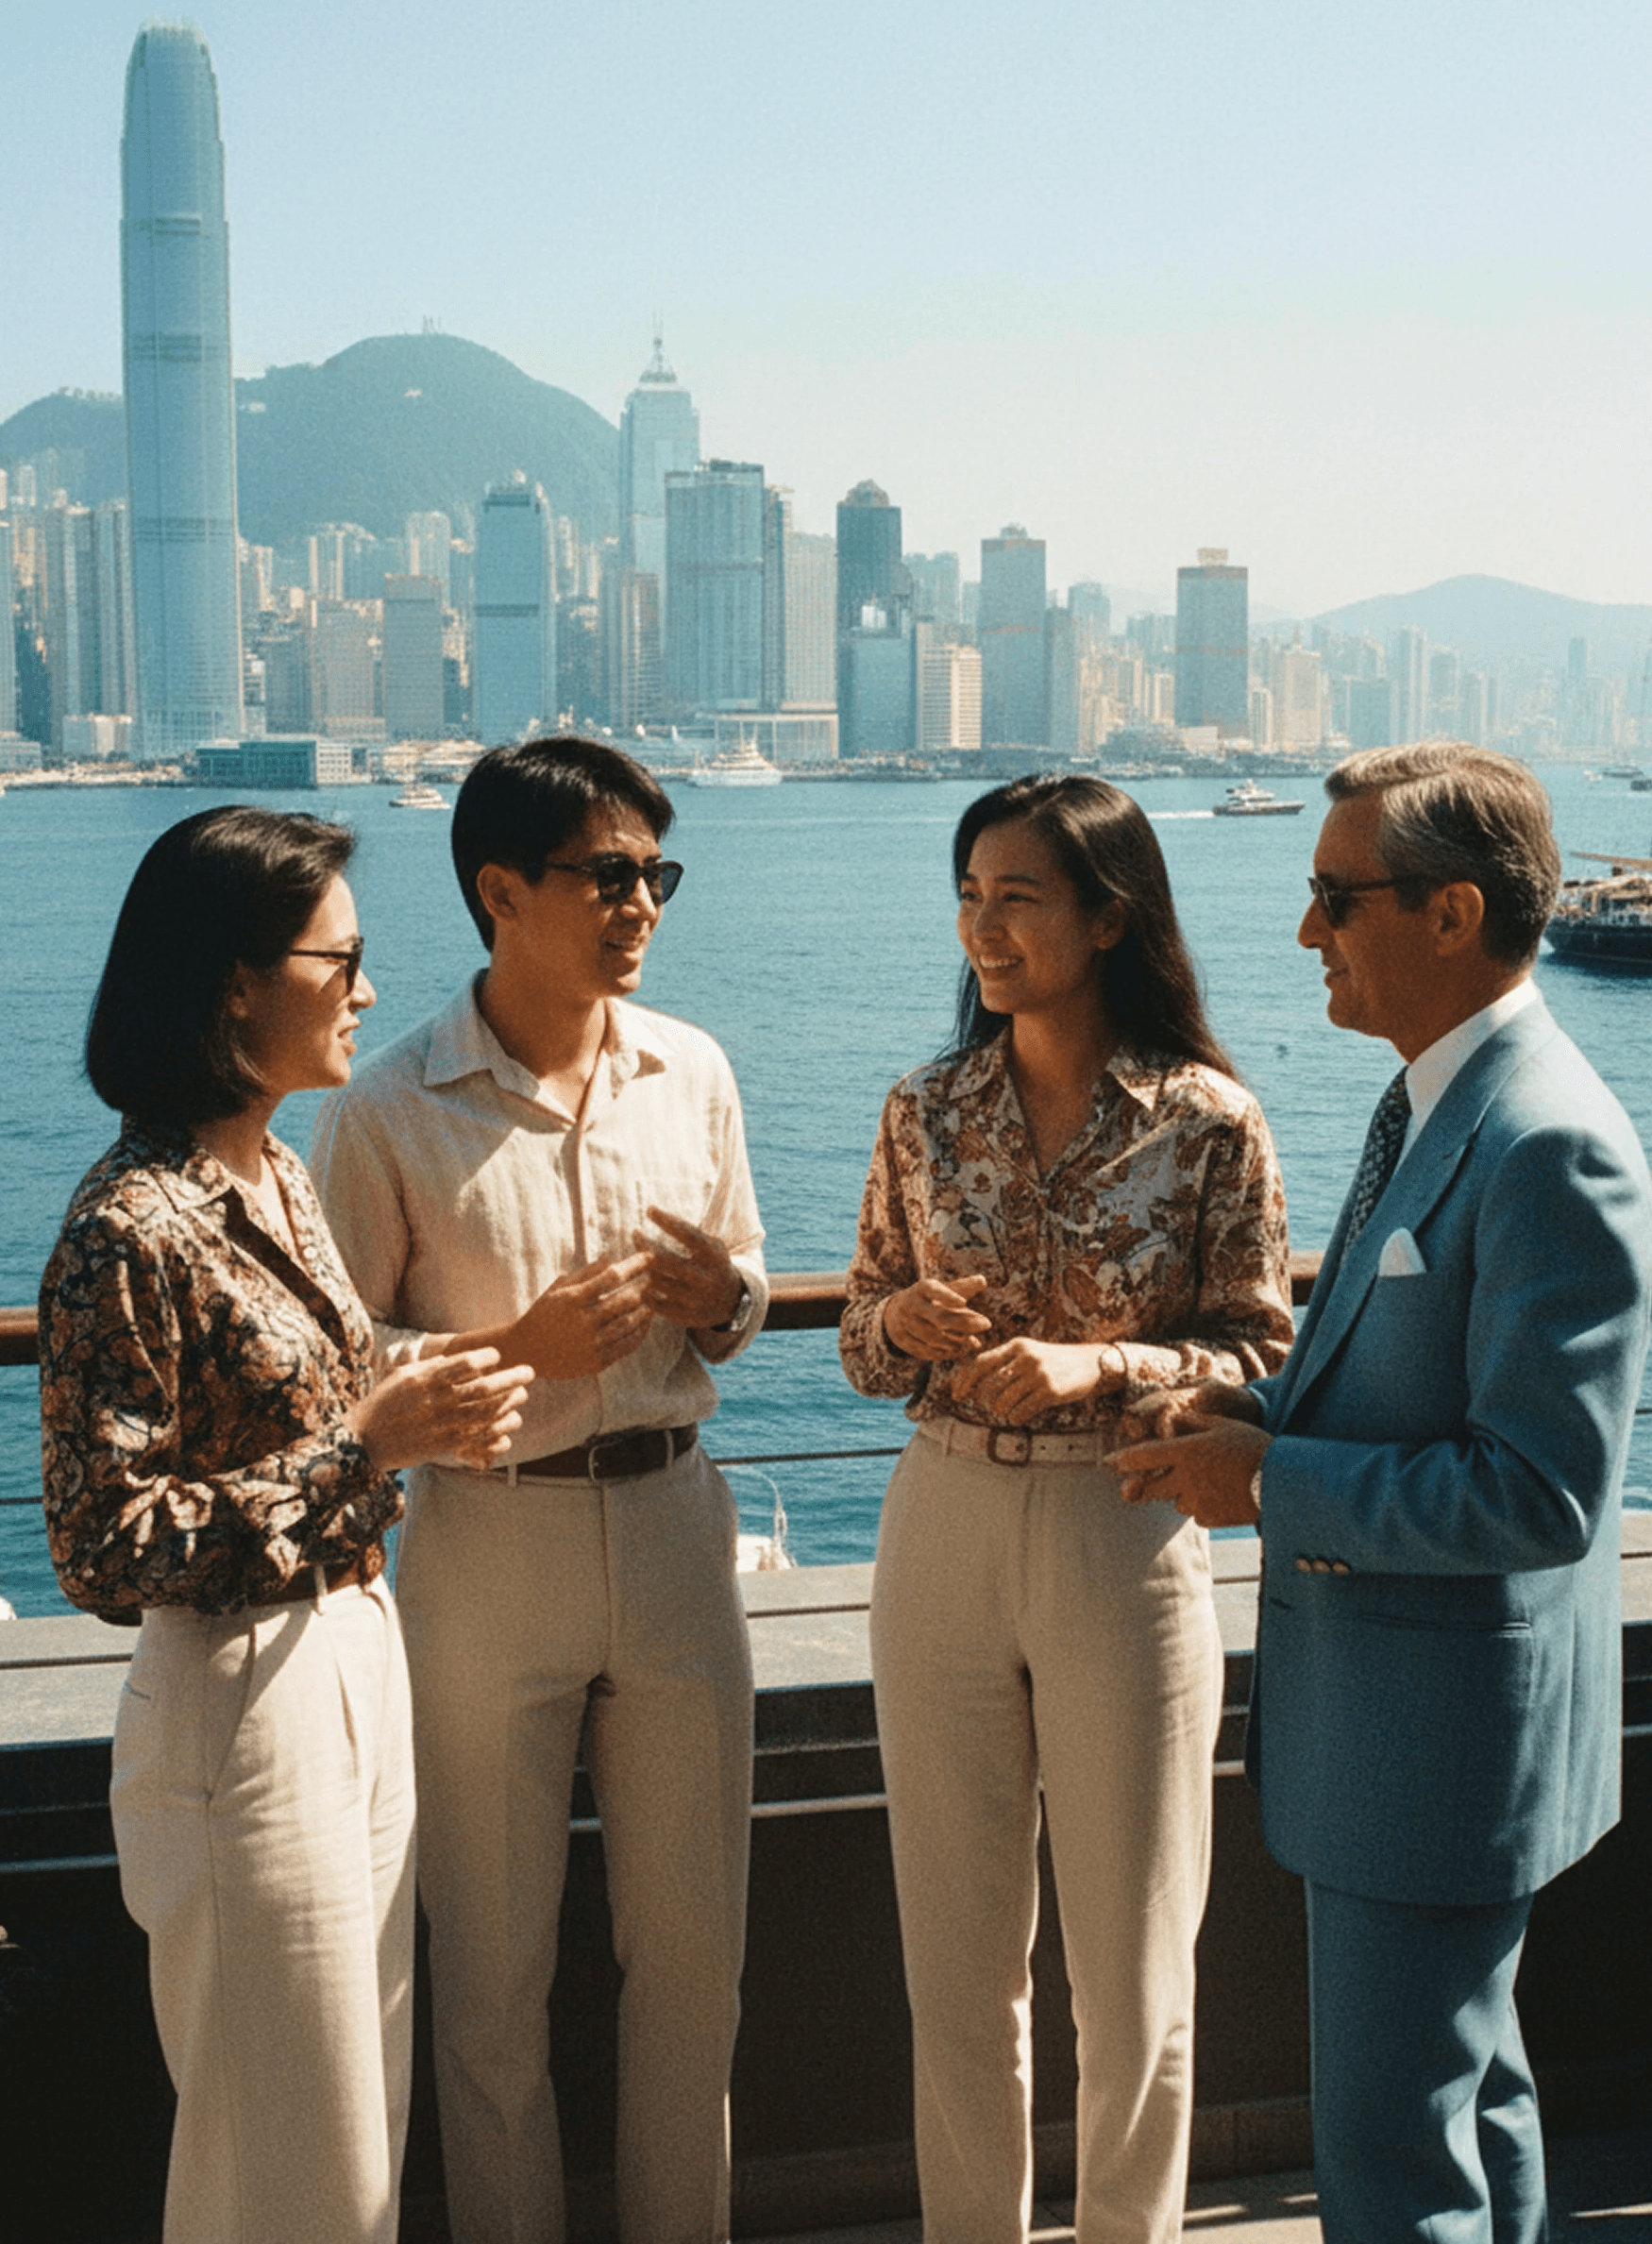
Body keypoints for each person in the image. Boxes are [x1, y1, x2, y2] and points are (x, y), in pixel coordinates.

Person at [1113, 745, 1652, 2244]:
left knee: (1389, 2158)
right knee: (1471, 2107)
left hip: (1437, 1763)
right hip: (1423, 1747)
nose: (1305, 935)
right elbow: (1392, 1374)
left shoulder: (1546, 1144)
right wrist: (1249, 1407)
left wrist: (1269, 1478)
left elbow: (1538, 1494)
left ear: (1449, 913)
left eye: (1331, 898)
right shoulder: (1433, 1105)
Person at [38, 806, 531, 2244]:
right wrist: (360, 1446)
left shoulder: (282, 1172)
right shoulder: (128, 1228)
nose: (369, 990)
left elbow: (301, 1385)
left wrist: (406, 1377)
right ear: (232, 982)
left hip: (352, 1649)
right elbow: (101, 1545)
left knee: (354, 2129)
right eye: (342, 959)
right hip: (237, 1693)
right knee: (282, 2147)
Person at [310, 736, 767, 2244]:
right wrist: (517, 1346)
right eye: (610, 875)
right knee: (488, 1973)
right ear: (501, 890)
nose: (643, 904)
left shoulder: (688, 1067)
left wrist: (727, 1295)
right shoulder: (388, 1106)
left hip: (674, 1517)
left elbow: (744, 1290)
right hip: (484, 1546)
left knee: (693, 1962)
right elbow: (331, 1365)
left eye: (657, 874)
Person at [839, 774, 1293, 2243]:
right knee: (958, 1967)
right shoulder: (923, 1109)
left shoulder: (1209, 1121)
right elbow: (854, 1338)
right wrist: (899, 1325)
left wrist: (1103, 1363)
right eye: (968, 893)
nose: (981, 924)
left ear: (1108, 918)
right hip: (941, 1529)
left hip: (1124, 1525)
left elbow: (1259, 1354)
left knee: (1135, 1967)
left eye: (1015, 896)